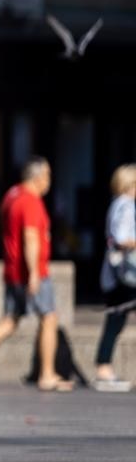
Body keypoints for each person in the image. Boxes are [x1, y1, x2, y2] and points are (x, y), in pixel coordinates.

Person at [0, 158, 72, 391]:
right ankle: (47, 374)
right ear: (38, 177)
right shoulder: (30, 201)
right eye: (48, 176)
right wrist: (34, 273)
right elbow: (31, 238)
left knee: (10, 320)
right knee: (49, 317)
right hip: (31, 271)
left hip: (13, 270)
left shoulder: (11, 196)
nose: (49, 182)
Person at [93, 164, 136, 392]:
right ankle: (103, 368)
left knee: (115, 320)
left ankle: (103, 367)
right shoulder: (126, 205)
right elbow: (120, 238)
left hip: (116, 274)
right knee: (115, 321)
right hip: (124, 275)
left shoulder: (116, 204)